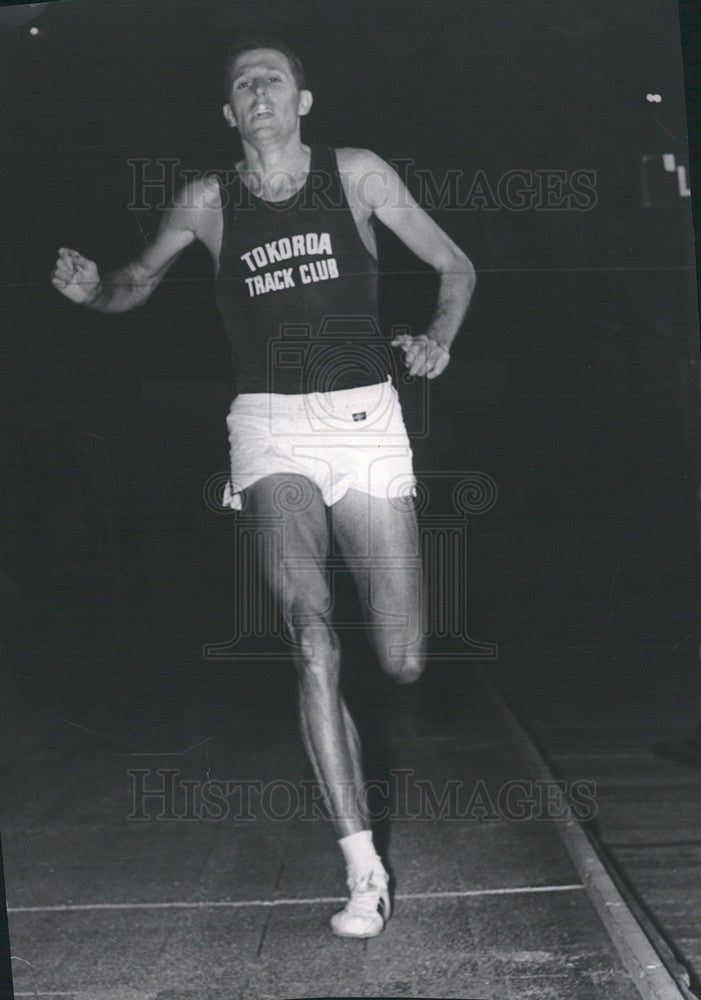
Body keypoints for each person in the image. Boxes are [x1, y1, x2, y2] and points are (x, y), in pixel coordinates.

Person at [51, 37, 476, 938]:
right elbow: (137, 280)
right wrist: (95, 294)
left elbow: (456, 267)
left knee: (401, 658)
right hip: (269, 426)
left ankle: (362, 719)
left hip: (364, 419)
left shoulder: (356, 174)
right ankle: (362, 869)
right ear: (228, 114)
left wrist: (437, 336)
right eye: (241, 84)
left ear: (303, 101)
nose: (256, 92)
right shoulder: (207, 202)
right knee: (310, 636)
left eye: (271, 78)